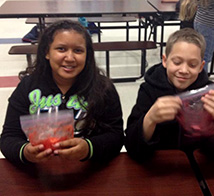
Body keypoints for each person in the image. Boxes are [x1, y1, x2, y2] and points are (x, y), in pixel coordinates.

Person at [0, 20, 124, 165]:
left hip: (88, 169)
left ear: (87, 55)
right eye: (61, 49)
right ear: (47, 52)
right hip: (40, 171)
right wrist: (25, 152)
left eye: (78, 50)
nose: (70, 58)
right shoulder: (28, 87)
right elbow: (9, 137)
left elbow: (116, 136)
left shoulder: (103, 88)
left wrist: (88, 148)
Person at [125, 28, 214, 161]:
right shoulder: (149, 90)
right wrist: (150, 119)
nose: (184, 70)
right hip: (159, 166)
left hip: (195, 166)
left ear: (201, 66)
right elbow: (132, 148)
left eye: (192, 65)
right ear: (165, 60)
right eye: (177, 62)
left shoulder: (209, 94)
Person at [194, 0, 214, 73]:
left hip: (198, 21)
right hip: (209, 26)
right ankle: (203, 80)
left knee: (199, 53)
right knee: (205, 57)